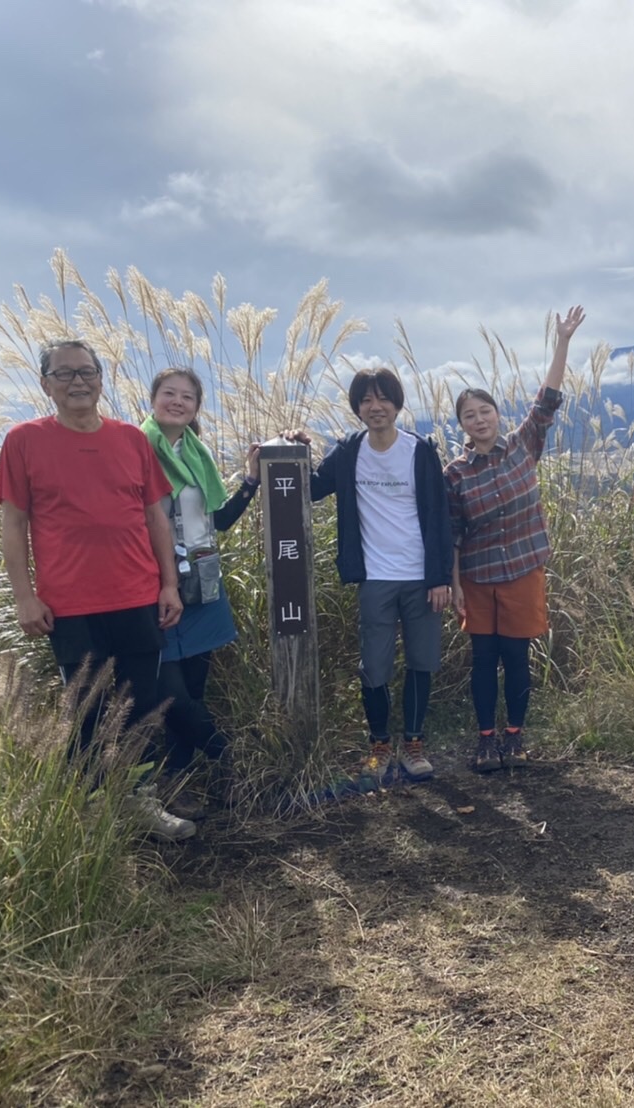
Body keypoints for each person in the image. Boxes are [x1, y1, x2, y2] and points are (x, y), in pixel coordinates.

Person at [0, 338, 192, 840]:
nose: (77, 381)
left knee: (141, 706)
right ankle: (91, 814)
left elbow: (155, 517)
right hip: (70, 604)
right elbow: (13, 524)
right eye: (64, 374)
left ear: (102, 380)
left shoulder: (131, 440)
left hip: (137, 596)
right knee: (86, 711)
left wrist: (169, 584)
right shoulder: (24, 440)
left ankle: (140, 801)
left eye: (87, 372)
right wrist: (24, 595)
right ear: (45, 385)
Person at [141, 367, 296, 817]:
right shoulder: (134, 449)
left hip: (203, 586)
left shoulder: (197, 455)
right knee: (170, 693)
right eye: (168, 393)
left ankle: (180, 782)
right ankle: (231, 759)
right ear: (153, 400)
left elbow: (219, 522)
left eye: (187, 396)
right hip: (154, 588)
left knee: (192, 689)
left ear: (196, 408)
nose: (177, 401)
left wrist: (251, 480)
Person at [445, 305, 584, 772]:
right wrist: (456, 583)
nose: (479, 419)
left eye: (485, 410)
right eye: (469, 415)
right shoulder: (456, 472)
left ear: (498, 415)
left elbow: (548, 397)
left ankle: (515, 738)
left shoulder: (525, 444)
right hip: (480, 577)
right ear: (461, 424)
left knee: (517, 657)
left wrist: (562, 340)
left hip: (524, 570)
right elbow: (455, 533)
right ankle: (486, 741)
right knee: (483, 660)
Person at [310, 367, 453, 787]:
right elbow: (314, 487)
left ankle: (413, 744)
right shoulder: (349, 451)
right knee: (374, 666)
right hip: (374, 577)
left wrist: (440, 577)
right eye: (366, 400)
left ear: (397, 403)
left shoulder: (419, 450)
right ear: (357, 408)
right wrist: (297, 449)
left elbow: (438, 516)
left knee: (422, 661)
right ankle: (379, 745)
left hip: (420, 576)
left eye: (383, 398)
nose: (376, 407)